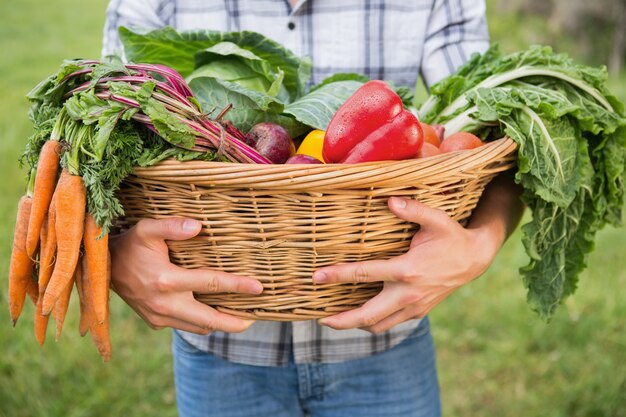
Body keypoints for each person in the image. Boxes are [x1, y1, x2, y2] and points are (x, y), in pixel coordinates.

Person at [102, 1, 525, 416]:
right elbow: (102, 135)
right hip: (216, 350)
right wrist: (112, 252)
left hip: (385, 342)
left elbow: (498, 132)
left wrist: (478, 246)